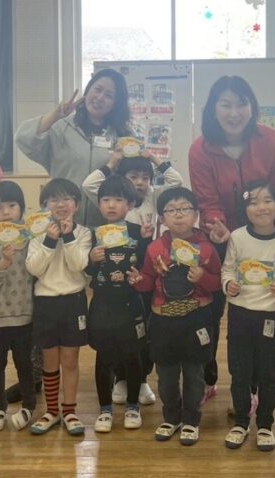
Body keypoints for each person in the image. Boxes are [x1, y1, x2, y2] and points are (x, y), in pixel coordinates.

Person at [188, 75, 275, 403]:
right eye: (226, 104)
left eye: (241, 104)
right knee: (211, 311)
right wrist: (221, 229)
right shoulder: (200, 149)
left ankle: (252, 386)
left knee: (255, 312)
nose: (234, 113)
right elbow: (206, 200)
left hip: (261, 239)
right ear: (213, 109)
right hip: (219, 239)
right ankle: (207, 377)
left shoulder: (270, 140)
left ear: (251, 106)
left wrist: (261, 227)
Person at [83, 150, 183, 404]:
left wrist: (155, 159)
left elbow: (176, 181)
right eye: (133, 176)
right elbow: (90, 185)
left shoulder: (152, 197)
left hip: (142, 279)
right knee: (116, 334)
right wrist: (113, 162)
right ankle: (121, 379)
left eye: (145, 177)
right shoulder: (111, 207)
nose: (139, 182)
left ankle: (141, 379)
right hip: (110, 289)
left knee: (142, 332)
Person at [132, 187, 222, 446]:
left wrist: (202, 277)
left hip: (196, 317)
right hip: (163, 320)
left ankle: (192, 419)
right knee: (166, 375)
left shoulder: (207, 249)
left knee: (195, 374)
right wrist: (138, 280)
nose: (178, 215)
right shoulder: (155, 248)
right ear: (162, 218)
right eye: (171, 210)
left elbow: (217, 283)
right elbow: (147, 281)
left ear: (195, 215)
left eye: (184, 209)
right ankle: (171, 417)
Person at [220, 180, 275, 452]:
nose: (261, 207)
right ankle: (241, 422)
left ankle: (265, 425)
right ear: (244, 208)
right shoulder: (237, 237)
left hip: (269, 315)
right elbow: (228, 269)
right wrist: (229, 284)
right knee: (239, 371)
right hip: (239, 313)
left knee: (267, 373)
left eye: (267, 200)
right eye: (253, 202)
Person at [15, 68, 132, 227]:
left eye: (109, 95)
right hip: (62, 220)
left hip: (106, 224)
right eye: (97, 89)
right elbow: (24, 139)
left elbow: (134, 177)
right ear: (87, 90)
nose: (100, 97)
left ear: (116, 104)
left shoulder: (123, 135)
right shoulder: (61, 126)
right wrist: (55, 115)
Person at [25, 179, 92, 436]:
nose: (60, 204)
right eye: (54, 199)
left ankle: (70, 411)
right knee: (50, 360)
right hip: (45, 302)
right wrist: (50, 240)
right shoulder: (37, 232)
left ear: (77, 204)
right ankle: (52, 411)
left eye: (66, 199)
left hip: (73, 301)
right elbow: (34, 268)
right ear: (45, 205)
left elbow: (79, 265)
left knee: (70, 360)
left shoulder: (84, 233)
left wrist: (69, 235)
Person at [86, 176, 150, 433]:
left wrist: (145, 241)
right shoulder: (93, 234)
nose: (111, 205)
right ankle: (105, 409)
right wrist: (92, 259)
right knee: (103, 358)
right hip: (102, 304)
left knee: (133, 356)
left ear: (130, 204)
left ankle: (133, 406)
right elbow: (88, 272)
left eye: (118, 200)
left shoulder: (137, 232)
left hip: (130, 303)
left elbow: (146, 266)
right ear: (99, 204)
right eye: (105, 200)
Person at [0, 179, 36, 432]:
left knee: (25, 364)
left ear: (21, 207)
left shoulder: (32, 240)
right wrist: (3, 262)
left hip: (25, 315)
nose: (6, 212)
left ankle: (29, 406)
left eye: (12, 205)